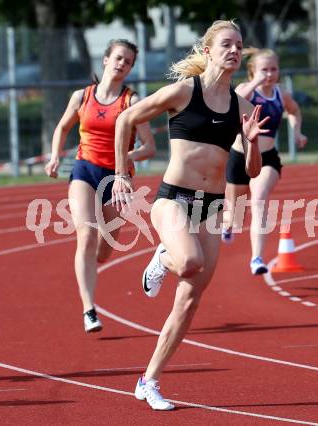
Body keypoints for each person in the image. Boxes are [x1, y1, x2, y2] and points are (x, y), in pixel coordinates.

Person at [112, 20, 269, 411]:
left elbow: (251, 172)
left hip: (211, 208)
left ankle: (148, 381)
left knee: (188, 303)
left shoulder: (244, 107)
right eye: (226, 45)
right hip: (174, 199)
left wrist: (249, 144)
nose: (234, 50)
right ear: (209, 50)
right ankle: (163, 256)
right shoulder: (183, 92)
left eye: (239, 45)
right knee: (189, 261)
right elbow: (125, 119)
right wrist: (120, 173)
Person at [44, 39, 155, 333]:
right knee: (86, 233)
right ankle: (89, 310)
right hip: (85, 169)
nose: (122, 64)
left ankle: (90, 266)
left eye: (128, 61)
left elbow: (150, 147)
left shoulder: (132, 102)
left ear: (131, 68)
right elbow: (63, 127)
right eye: (118, 58)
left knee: (104, 251)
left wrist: (124, 157)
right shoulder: (82, 97)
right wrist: (56, 155)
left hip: (118, 179)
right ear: (105, 60)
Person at [222, 48, 307, 274]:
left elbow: (295, 111)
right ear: (252, 71)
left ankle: (256, 258)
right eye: (264, 70)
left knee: (259, 199)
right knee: (235, 214)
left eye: (273, 69)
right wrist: (255, 82)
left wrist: (297, 132)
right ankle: (228, 224)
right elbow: (234, 101)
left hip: (267, 157)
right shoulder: (246, 90)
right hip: (239, 157)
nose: (269, 74)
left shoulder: (281, 94)